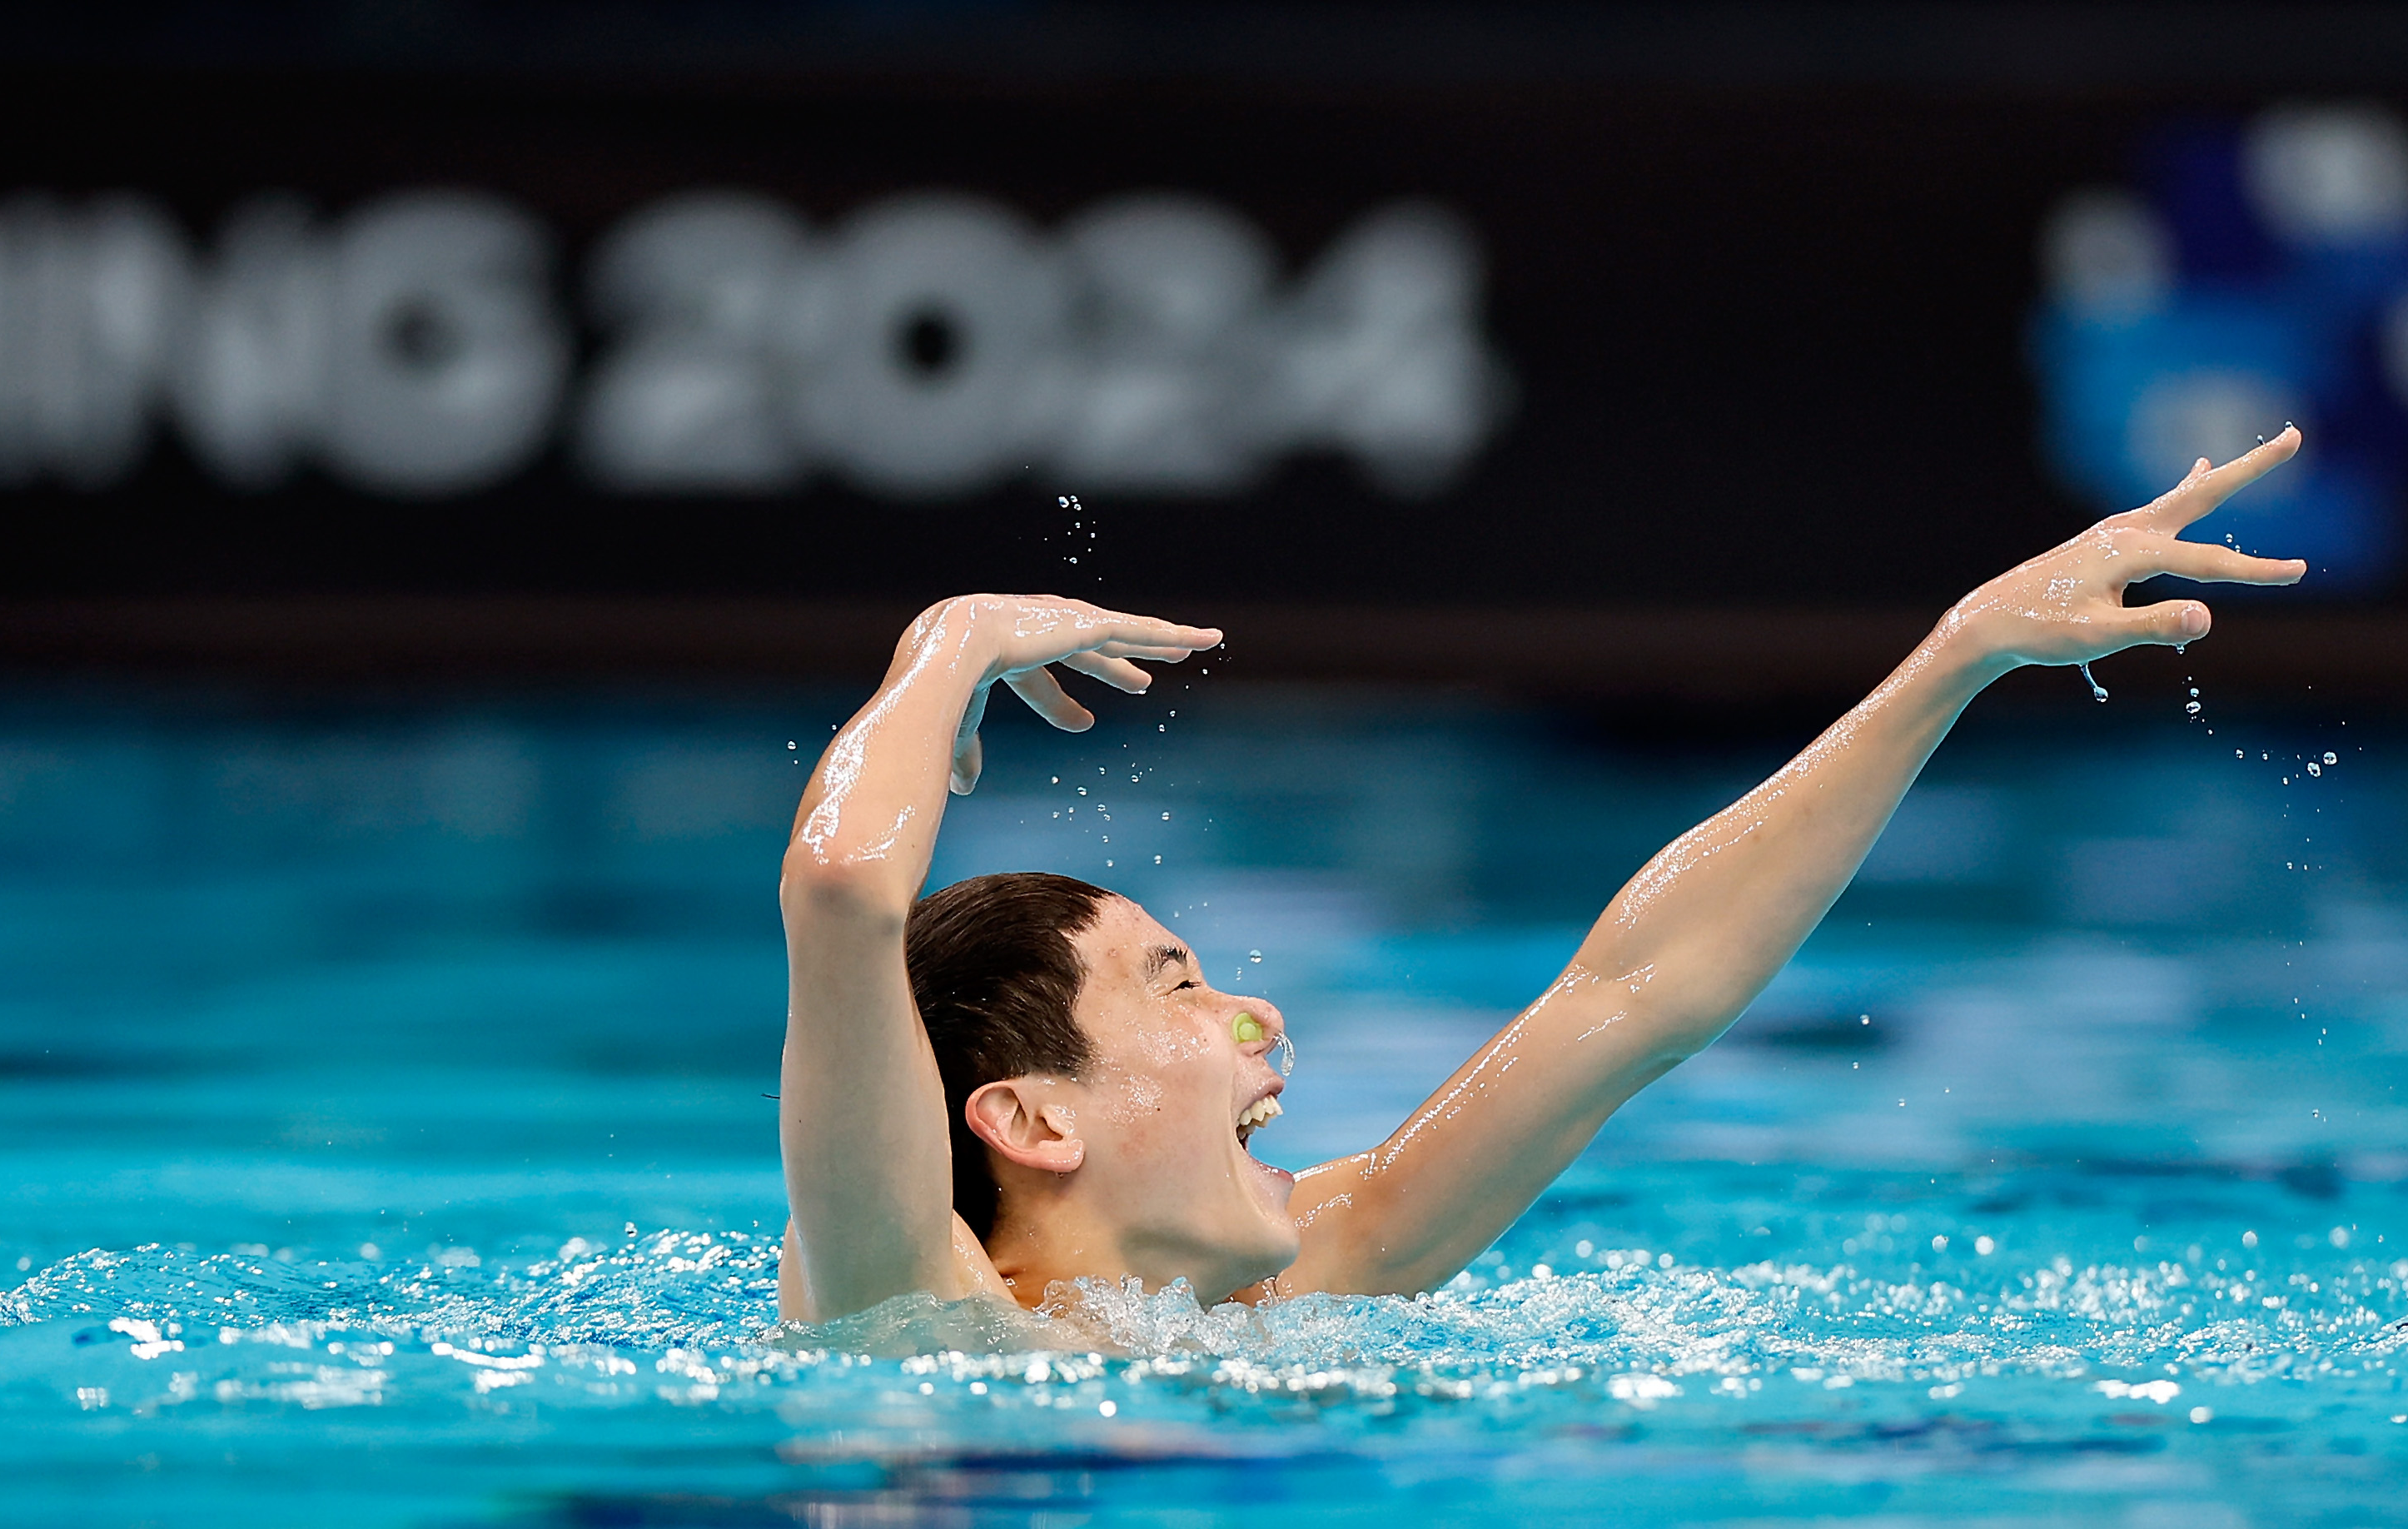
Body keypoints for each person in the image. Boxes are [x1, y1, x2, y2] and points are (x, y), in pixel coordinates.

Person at [775, 429, 2307, 1333]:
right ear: (1031, 1117)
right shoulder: (905, 1303)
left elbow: (1639, 994)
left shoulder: (1294, 1290)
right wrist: (956, 635)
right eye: (1176, 982)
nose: (1259, 1023)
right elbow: (846, 893)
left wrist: (1958, 654)